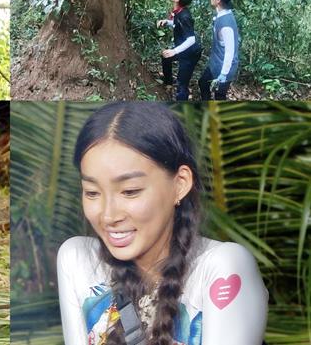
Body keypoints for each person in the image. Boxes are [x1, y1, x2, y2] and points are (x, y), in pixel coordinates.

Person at [57, 102, 268, 345]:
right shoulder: (78, 260)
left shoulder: (221, 267)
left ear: (180, 184)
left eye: (130, 191)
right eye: (92, 192)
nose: (108, 215)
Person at [157, 0, 202, 101]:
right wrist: (167, 22)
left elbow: (191, 39)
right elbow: (177, 24)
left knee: (182, 84)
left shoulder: (185, 16)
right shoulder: (179, 11)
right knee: (165, 57)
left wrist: (174, 51)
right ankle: (168, 84)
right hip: (183, 48)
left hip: (190, 53)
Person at [198, 0, 239, 100]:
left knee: (219, 95)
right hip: (215, 64)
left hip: (224, 67)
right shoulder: (222, 14)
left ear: (218, 0)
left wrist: (224, 74)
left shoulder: (226, 25)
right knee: (203, 83)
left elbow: (230, 52)